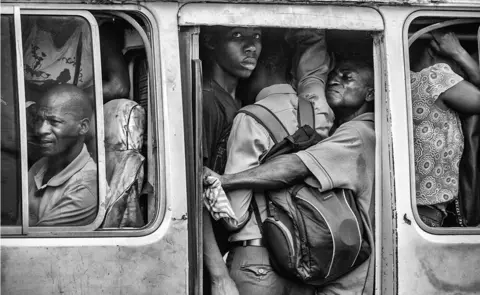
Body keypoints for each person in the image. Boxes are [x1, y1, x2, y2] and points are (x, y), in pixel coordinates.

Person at [204, 59, 376, 295]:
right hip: (305, 263)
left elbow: (236, 217)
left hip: (258, 260)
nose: (335, 81)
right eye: (334, 75)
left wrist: (221, 183)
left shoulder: (251, 117)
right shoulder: (322, 117)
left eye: (347, 77)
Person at [200, 26, 262, 295]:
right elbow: (193, 188)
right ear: (212, 43)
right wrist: (219, 276)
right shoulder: (206, 99)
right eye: (238, 36)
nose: (251, 46)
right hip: (209, 254)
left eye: (257, 37)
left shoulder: (241, 102)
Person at [410, 31, 480, 227]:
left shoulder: (407, 81)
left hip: (416, 208)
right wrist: (459, 52)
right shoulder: (435, 77)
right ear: (434, 51)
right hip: (427, 212)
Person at [28, 84, 98, 226]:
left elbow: (37, 245)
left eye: (54, 122)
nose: (41, 130)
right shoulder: (41, 166)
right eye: (39, 120)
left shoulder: (85, 188)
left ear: (83, 127)